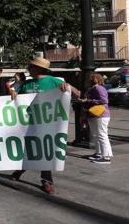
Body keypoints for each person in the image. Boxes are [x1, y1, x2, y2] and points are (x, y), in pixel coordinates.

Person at [10, 57, 80, 194]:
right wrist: (13, 93)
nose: (29, 69)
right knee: (28, 148)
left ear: (39, 68)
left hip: (48, 124)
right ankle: (20, 169)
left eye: (31, 67)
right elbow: (17, 100)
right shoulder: (26, 84)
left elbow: (77, 94)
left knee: (44, 150)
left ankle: (46, 180)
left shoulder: (55, 81)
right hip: (28, 123)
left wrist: (68, 87)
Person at [84, 73, 113, 164]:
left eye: (90, 78)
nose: (88, 80)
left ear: (94, 79)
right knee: (96, 135)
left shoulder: (98, 88)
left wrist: (88, 101)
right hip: (94, 114)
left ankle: (106, 157)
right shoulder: (93, 88)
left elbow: (104, 101)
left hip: (101, 115)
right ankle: (99, 153)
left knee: (102, 135)